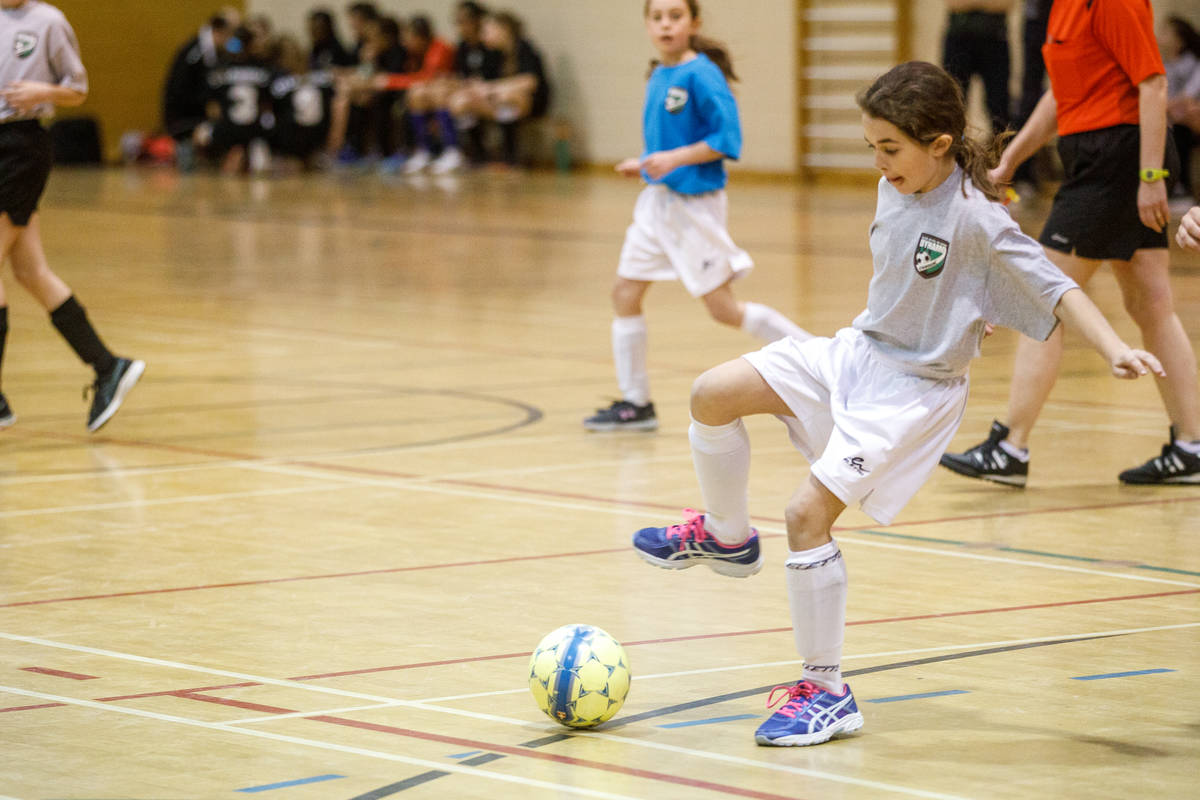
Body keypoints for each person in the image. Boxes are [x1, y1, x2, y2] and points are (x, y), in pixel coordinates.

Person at [631, 61, 1162, 747]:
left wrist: (1115, 345)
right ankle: (729, 537)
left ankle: (826, 693)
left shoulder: (978, 219)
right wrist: (971, 304)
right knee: (712, 393)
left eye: (891, 149)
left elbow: (1057, 289)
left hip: (912, 393)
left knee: (803, 516)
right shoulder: (900, 185)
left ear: (939, 143)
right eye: (872, 148)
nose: (880, 165)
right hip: (856, 353)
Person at [941, 0, 1200, 486]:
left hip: (1118, 159)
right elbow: (1061, 95)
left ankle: (1011, 446)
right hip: (1095, 157)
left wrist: (1150, 175)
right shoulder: (1062, 9)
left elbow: (1153, 83)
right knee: (1151, 303)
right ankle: (1191, 445)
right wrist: (1009, 161)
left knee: (1042, 296)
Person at [583, 0, 809, 432]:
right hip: (656, 203)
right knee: (624, 294)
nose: (666, 24)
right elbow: (668, 146)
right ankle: (637, 403)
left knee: (724, 310)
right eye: (657, 17)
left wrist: (673, 159)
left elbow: (727, 139)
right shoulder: (658, 74)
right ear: (647, 25)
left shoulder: (702, 73)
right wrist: (648, 162)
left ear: (694, 23)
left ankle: (820, 357)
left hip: (693, 208)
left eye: (675, 16)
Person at [0, 0, 144, 431]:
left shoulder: (48, 21)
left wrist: (44, 92)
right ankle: (107, 365)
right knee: (30, 271)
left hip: (19, 148)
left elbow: (78, 88)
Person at [445, 10, 549, 167]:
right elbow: (485, 83)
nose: (483, 35)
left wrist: (493, 88)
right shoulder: (493, 53)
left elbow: (530, 81)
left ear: (504, 29)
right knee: (461, 102)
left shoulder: (524, 47)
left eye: (487, 30)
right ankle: (478, 154)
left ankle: (511, 153)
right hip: (498, 103)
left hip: (531, 103)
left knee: (507, 96)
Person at [405, 0, 500, 171]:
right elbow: (459, 75)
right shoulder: (462, 47)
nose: (459, 26)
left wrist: (458, 83)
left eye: (463, 21)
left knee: (443, 94)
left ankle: (453, 151)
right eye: (457, 21)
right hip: (465, 88)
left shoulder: (489, 45)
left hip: (486, 92)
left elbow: (490, 78)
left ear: (477, 21)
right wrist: (450, 80)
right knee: (418, 93)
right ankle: (424, 151)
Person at [372, 14, 455, 174]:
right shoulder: (414, 53)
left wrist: (390, 81)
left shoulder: (439, 48)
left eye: (409, 37)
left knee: (420, 92)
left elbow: (427, 78)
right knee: (414, 96)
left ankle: (452, 150)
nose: (404, 42)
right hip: (431, 93)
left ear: (420, 37)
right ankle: (424, 150)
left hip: (450, 90)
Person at [162, 12, 235, 166]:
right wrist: (207, 105)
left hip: (195, 113)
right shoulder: (195, 53)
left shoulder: (212, 52)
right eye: (230, 35)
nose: (231, 41)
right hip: (184, 118)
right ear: (220, 31)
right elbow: (181, 90)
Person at [942, 0, 1013, 133]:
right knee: (953, 104)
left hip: (995, 40)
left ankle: (1002, 149)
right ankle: (955, 149)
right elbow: (954, 4)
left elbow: (1005, 4)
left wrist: (970, 5)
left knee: (999, 106)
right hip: (958, 40)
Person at [1163, 16, 1200, 201]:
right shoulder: (1166, 63)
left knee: (1179, 131)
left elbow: (1188, 96)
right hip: (1175, 117)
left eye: (1165, 32)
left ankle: (1181, 188)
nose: (1161, 36)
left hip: (1188, 119)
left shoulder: (1192, 62)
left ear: (1179, 38)